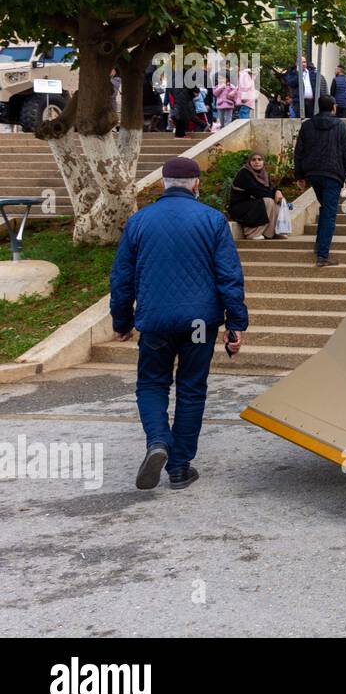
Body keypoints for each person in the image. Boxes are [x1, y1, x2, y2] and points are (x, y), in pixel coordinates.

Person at [110, 156, 248, 491]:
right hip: (199, 322)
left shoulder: (139, 221)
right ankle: (179, 467)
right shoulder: (213, 220)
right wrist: (236, 323)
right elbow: (229, 276)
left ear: (163, 184)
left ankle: (158, 441)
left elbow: (121, 279)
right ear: (196, 184)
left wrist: (122, 320)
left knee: (152, 384)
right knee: (191, 387)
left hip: (155, 321)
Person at [293, 95, 346, 267]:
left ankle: (319, 246)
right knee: (329, 213)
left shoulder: (307, 126)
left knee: (325, 208)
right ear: (334, 107)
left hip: (313, 173)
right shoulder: (341, 127)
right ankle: (323, 255)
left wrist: (299, 175)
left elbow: (299, 152)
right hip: (333, 174)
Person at [228, 150, 289, 240]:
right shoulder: (244, 173)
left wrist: (278, 191)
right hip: (239, 207)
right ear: (249, 162)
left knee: (275, 201)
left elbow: (271, 188)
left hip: (251, 204)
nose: (257, 162)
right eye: (254, 160)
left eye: (259, 159)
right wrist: (275, 194)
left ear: (263, 162)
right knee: (268, 201)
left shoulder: (264, 174)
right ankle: (252, 233)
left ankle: (271, 233)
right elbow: (257, 191)